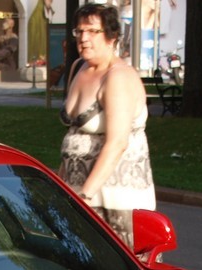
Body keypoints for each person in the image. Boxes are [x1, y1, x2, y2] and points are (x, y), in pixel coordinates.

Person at [58, 2, 155, 248]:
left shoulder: (118, 77)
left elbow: (117, 143)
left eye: (92, 31)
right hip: (79, 194)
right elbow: (73, 137)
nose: (84, 38)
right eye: (79, 32)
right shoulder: (78, 68)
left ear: (112, 37)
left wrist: (83, 196)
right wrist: (59, 187)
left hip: (114, 201)